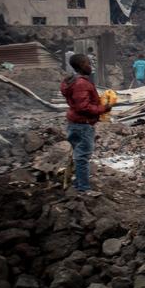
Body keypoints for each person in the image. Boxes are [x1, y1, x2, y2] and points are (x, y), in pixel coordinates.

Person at [60, 53, 110, 193]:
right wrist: (103, 108)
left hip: (74, 123)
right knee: (82, 156)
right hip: (83, 124)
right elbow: (83, 107)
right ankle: (84, 189)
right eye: (88, 63)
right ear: (82, 65)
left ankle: (78, 185)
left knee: (78, 155)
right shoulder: (81, 83)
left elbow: (79, 103)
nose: (90, 66)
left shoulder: (73, 81)